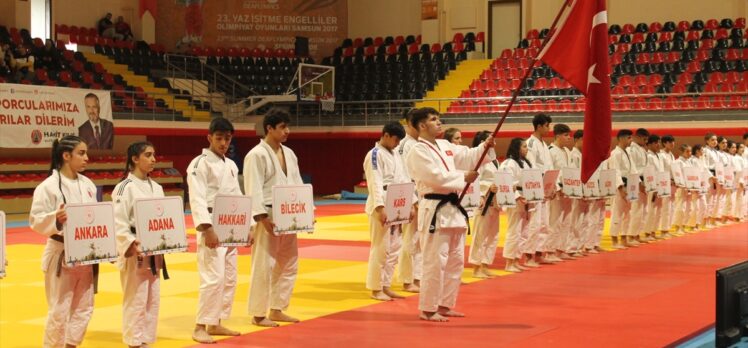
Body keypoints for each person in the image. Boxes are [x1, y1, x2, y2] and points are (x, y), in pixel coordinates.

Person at [405, 107, 495, 322]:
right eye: (433, 119)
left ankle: (445, 304)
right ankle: (428, 308)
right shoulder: (418, 150)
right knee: (435, 261)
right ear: (422, 126)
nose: (438, 122)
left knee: (455, 261)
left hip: (454, 209)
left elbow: (469, 156)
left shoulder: (445, 145)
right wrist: (465, 176)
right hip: (435, 207)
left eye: (438, 118)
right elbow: (435, 177)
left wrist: (485, 145)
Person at [29, 135, 97, 347]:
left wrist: (104, 248)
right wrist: (55, 220)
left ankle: (71, 345)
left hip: (86, 253)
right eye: (81, 153)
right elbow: (35, 220)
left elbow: (95, 219)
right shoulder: (48, 186)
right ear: (66, 156)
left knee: (84, 307)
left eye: (86, 153)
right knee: (59, 309)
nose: (87, 157)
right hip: (60, 251)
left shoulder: (88, 185)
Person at [244, 109, 304, 327]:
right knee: (264, 264)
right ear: (269, 128)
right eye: (282, 127)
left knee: (289, 263)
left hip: (290, 213)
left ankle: (278, 308)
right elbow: (253, 188)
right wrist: (260, 217)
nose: (287, 131)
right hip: (268, 214)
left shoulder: (289, 153)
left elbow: (297, 184)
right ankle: (258, 313)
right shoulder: (256, 154)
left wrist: (305, 213)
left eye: (287, 126)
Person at [188, 118, 243, 343]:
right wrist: (206, 228)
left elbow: (238, 195)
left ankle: (216, 322)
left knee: (229, 277)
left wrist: (246, 225)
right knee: (213, 277)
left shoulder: (230, 165)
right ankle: (200, 326)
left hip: (231, 222)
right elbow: (197, 198)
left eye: (227, 139)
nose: (223, 143)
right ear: (209, 137)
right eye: (219, 138)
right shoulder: (199, 163)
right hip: (211, 220)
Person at [113, 141, 168, 348]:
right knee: (135, 298)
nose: (154, 159)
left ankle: (146, 339)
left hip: (154, 249)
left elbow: (163, 220)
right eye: (148, 155)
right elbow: (118, 221)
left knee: (152, 298)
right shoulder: (124, 188)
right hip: (134, 248)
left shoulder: (157, 187)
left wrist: (167, 243)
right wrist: (129, 244)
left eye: (154, 155)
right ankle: (133, 342)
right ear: (135, 159)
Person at [363, 121, 414, 300]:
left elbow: (405, 178)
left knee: (395, 247)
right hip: (383, 202)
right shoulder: (374, 155)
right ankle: (376, 288)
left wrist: (411, 203)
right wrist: (379, 207)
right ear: (385, 135)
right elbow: (374, 182)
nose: (398, 143)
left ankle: (386, 285)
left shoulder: (395, 154)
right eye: (395, 139)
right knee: (381, 247)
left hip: (398, 201)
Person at [468, 130, 501, 278]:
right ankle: (476, 266)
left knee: (492, 234)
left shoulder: (494, 160)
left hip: (495, 200)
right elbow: (475, 180)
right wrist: (486, 189)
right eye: (491, 140)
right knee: (480, 234)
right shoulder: (478, 159)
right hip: (483, 200)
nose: (494, 142)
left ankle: (485, 263)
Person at [396, 109, 422, 293]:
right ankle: (407, 279)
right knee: (409, 239)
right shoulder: (406, 145)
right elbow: (404, 175)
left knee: (419, 240)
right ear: (411, 124)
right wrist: (412, 201)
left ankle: (417, 276)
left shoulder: (418, 143)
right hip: (411, 195)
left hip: (421, 194)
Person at [525, 113, 555, 263]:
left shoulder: (544, 144)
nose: (549, 129)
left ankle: (539, 254)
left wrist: (551, 186)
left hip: (546, 186)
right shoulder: (530, 143)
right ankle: (529, 256)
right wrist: (539, 187)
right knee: (534, 223)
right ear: (539, 126)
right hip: (536, 187)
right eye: (547, 125)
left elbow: (549, 168)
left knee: (544, 223)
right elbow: (531, 167)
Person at [500, 138, 532, 272]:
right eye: (524, 146)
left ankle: (517, 259)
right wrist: (517, 197)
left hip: (526, 197)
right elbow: (506, 183)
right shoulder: (509, 163)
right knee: (514, 231)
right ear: (517, 148)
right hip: (515, 199)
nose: (526, 149)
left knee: (523, 231)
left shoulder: (524, 163)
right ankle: (509, 262)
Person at [548, 123, 576, 259]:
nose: (568, 138)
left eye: (569, 135)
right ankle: (550, 251)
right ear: (557, 136)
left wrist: (572, 186)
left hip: (569, 189)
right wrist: (558, 188)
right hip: (557, 191)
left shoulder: (567, 151)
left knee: (567, 221)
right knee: (554, 221)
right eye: (566, 135)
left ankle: (562, 249)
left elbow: (571, 171)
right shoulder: (550, 151)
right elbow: (551, 172)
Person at [609, 129, 634, 249]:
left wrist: (637, 185)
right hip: (621, 185)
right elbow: (615, 171)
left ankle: (624, 238)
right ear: (621, 138)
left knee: (628, 213)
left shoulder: (627, 152)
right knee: (617, 212)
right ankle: (614, 239)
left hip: (630, 184)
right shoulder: (615, 153)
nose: (631, 140)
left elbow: (633, 170)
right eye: (629, 138)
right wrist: (620, 187)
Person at [627, 128, 649, 244]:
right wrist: (639, 182)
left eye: (646, 139)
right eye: (644, 139)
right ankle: (631, 235)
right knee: (636, 209)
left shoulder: (642, 149)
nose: (645, 141)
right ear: (637, 137)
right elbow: (633, 168)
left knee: (643, 210)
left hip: (644, 180)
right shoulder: (632, 149)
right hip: (636, 180)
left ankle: (637, 234)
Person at [643, 134, 664, 240]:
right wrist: (654, 187)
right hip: (652, 186)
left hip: (661, 185)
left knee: (658, 210)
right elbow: (650, 173)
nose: (658, 145)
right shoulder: (649, 156)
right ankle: (647, 232)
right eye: (656, 143)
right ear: (650, 144)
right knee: (651, 210)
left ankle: (653, 231)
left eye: (659, 142)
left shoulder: (658, 155)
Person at [672, 144, 693, 234]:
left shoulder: (689, 162)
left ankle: (683, 225)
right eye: (687, 151)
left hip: (689, 186)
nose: (689, 153)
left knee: (688, 208)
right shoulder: (678, 162)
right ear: (682, 152)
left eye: (690, 151)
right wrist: (682, 185)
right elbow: (678, 175)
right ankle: (677, 227)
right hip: (681, 187)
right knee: (680, 207)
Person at [658, 135, 676, 237]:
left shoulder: (671, 155)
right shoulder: (661, 155)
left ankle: (668, 228)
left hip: (673, 182)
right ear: (664, 143)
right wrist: (668, 180)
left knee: (671, 207)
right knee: (665, 207)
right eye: (670, 142)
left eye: (673, 142)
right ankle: (663, 230)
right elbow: (662, 170)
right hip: (665, 182)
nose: (672, 144)